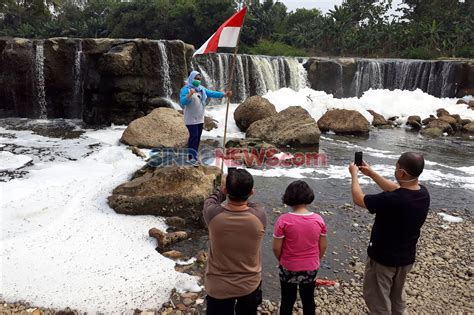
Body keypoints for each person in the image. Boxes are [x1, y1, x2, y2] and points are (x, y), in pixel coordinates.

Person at [348, 152, 430, 315]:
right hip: (405, 259)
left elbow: (358, 198)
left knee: (378, 301)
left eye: (396, 167)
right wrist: (371, 174)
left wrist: (354, 175)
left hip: (383, 260)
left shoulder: (392, 200)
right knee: (397, 298)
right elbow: (397, 189)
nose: (395, 169)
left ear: (402, 173)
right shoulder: (422, 194)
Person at [202, 168, 266, 315]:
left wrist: (222, 190)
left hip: (218, 286)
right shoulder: (259, 215)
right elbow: (250, 204)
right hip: (249, 284)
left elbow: (211, 200)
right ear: (251, 192)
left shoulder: (212, 214)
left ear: (226, 189)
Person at [272, 180, 328, 315]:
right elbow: (323, 245)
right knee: (308, 299)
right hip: (311, 266)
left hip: (288, 266)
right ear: (309, 196)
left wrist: (282, 260)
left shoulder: (283, 220)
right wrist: (316, 259)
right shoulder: (318, 219)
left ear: (288, 197)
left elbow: (276, 248)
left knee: (287, 299)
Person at [179, 71, 232, 165]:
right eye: (196, 78)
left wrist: (224, 94)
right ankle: (191, 158)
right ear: (191, 78)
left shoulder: (201, 89)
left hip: (199, 118)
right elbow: (182, 103)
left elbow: (211, 93)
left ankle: (194, 156)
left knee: (198, 137)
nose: (198, 81)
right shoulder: (186, 89)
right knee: (193, 137)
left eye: (199, 79)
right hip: (191, 118)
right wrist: (189, 95)